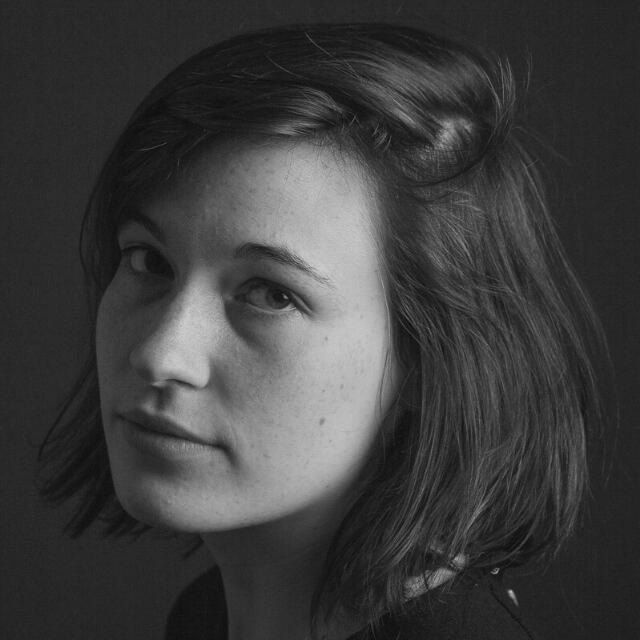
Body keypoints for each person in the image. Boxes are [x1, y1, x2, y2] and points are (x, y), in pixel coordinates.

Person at [38, 22, 606, 640]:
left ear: (428, 361)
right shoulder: (203, 618)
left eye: (272, 294)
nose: (159, 354)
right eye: (150, 261)